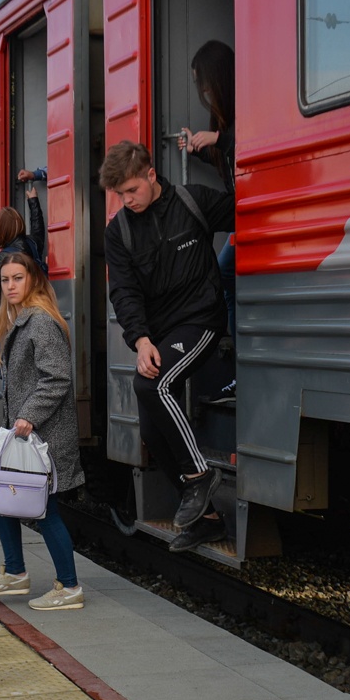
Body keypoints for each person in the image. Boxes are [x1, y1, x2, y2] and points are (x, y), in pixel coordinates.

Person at [100, 140, 235, 553]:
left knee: (151, 387)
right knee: (153, 430)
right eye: (121, 195)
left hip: (202, 321)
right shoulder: (118, 231)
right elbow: (123, 293)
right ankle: (208, 518)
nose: (127, 200)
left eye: (132, 191)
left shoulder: (193, 201)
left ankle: (200, 475)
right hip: (159, 335)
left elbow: (248, 205)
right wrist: (140, 340)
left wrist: (222, 141)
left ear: (151, 175)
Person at [0, 252, 86, 611]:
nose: (10, 286)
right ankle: (16, 573)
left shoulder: (40, 322)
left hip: (44, 436)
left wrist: (28, 416)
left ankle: (69, 587)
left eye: (17, 278)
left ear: (33, 280)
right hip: (27, 434)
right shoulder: (21, 320)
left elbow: (57, 378)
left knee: (45, 511)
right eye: (5, 280)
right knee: (1, 499)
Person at [179, 40, 237, 401]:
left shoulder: (243, 104)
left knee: (223, 274)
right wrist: (200, 149)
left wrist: (217, 137)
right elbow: (227, 161)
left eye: (204, 84)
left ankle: (242, 363)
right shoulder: (224, 118)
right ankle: (239, 360)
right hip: (240, 216)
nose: (203, 93)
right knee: (225, 277)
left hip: (250, 213)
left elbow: (255, 141)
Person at [0, 185, 47, 319]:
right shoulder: (33, 244)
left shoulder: (1, 259)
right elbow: (38, 230)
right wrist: (33, 201)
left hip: (11, 318)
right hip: (36, 310)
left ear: (0, 231)